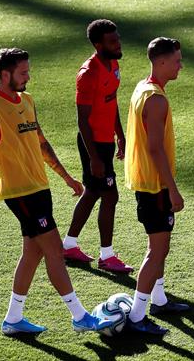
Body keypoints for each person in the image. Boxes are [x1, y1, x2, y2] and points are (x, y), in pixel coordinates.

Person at [0, 48, 112, 334]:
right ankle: (79, 316)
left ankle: (13, 319)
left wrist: (66, 177)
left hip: (40, 187)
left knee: (33, 253)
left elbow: (41, 143)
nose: (29, 76)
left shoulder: (26, 100)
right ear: (6, 74)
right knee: (53, 249)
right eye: (23, 72)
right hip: (19, 192)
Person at [123, 37, 190, 335]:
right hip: (155, 187)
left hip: (147, 183)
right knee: (157, 250)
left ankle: (160, 299)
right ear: (161, 62)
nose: (180, 65)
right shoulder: (157, 99)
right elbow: (155, 148)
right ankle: (138, 316)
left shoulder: (143, 88)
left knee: (161, 247)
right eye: (177, 60)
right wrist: (172, 188)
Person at [61, 19, 133, 273]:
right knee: (110, 195)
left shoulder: (112, 64)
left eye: (118, 39)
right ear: (97, 44)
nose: (118, 44)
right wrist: (94, 157)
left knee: (92, 192)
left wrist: (120, 135)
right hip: (93, 144)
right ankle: (107, 256)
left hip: (105, 142)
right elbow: (82, 120)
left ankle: (68, 245)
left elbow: (110, 102)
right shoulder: (88, 74)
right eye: (112, 41)